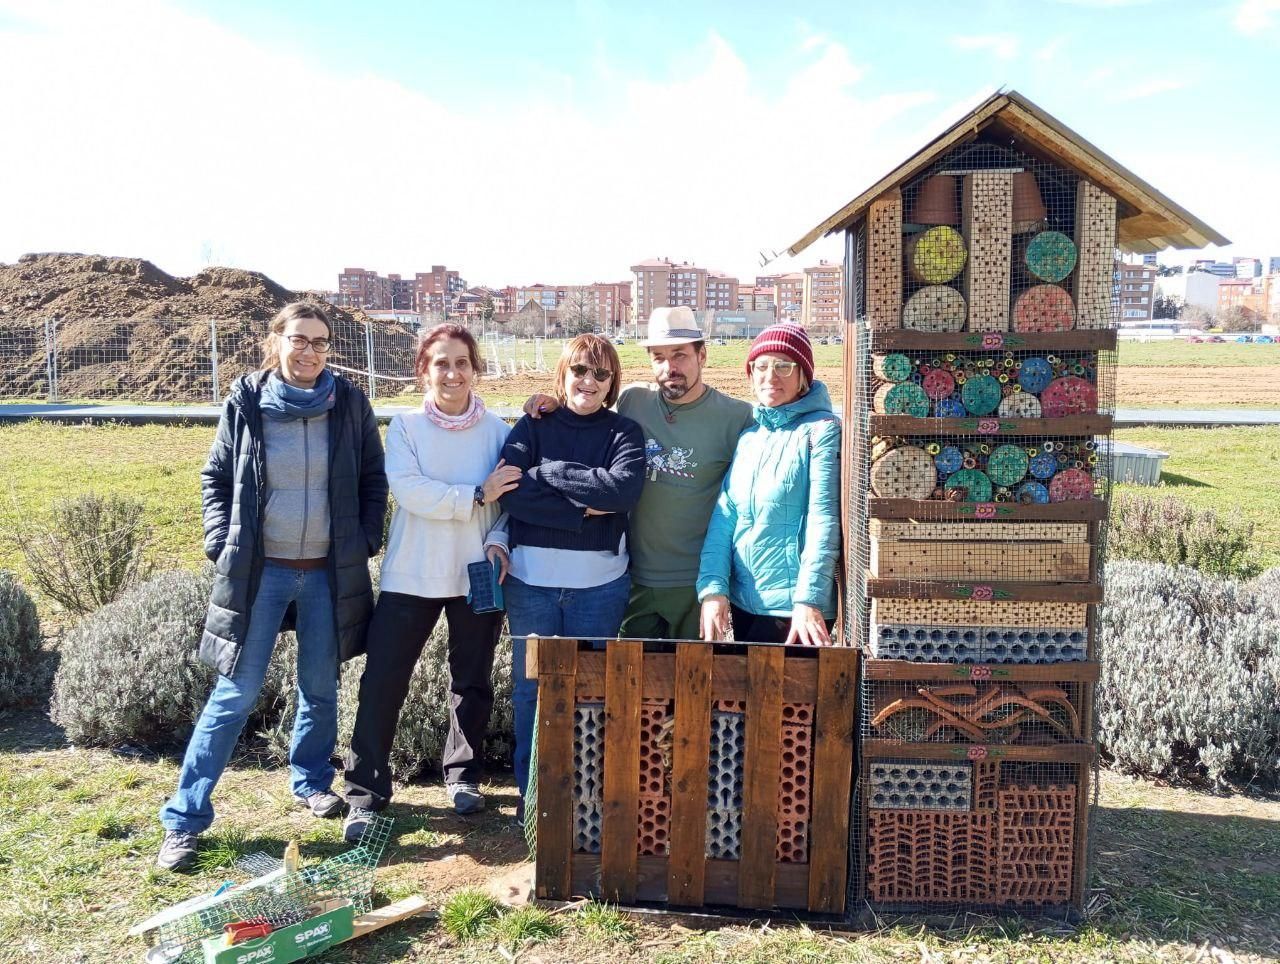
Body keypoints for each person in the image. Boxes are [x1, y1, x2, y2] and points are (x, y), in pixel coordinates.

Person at [157, 302, 387, 872]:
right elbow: (215, 475)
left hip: (326, 574)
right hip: (260, 573)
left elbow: (371, 480)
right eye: (299, 339)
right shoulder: (247, 401)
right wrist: (222, 540)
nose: (309, 350)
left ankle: (311, 782)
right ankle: (185, 819)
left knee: (320, 686)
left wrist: (364, 540)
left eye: (320, 341)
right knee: (234, 694)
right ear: (277, 341)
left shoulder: (350, 404)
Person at [341, 325, 520, 841]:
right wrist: (476, 496)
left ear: (475, 369)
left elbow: (511, 502)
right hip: (412, 573)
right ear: (425, 370)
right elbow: (411, 491)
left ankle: (463, 776)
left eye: (462, 362)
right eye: (441, 363)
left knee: (472, 680)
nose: (452, 372)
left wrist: (500, 539)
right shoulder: (406, 427)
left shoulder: (499, 432)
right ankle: (365, 791)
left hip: (477, 574)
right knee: (383, 681)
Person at [522, 307, 752, 641]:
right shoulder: (633, 403)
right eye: (658, 357)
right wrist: (552, 400)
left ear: (702, 355)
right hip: (633, 577)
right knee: (635, 686)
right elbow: (587, 407)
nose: (669, 368)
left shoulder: (736, 417)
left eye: (680, 356)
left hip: (695, 582)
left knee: (692, 685)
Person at [493, 333, 645, 817]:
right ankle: (531, 794)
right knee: (531, 689)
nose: (589, 381)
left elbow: (622, 493)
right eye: (580, 370)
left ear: (612, 382)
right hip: (531, 582)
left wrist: (550, 474)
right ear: (563, 373)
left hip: (600, 587)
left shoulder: (624, 433)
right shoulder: (532, 425)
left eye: (601, 374)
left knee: (593, 693)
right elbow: (511, 493)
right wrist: (584, 512)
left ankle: (586, 793)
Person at [697, 322, 840, 645]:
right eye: (761, 366)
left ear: (803, 375)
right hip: (746, 601)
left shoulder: (821, 431)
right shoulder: (750, 437)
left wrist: (809, 599)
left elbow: (823, 520)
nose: (770, 375)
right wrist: (713, 588)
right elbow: (725, 516)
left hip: (794, 613)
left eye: (783, 366)